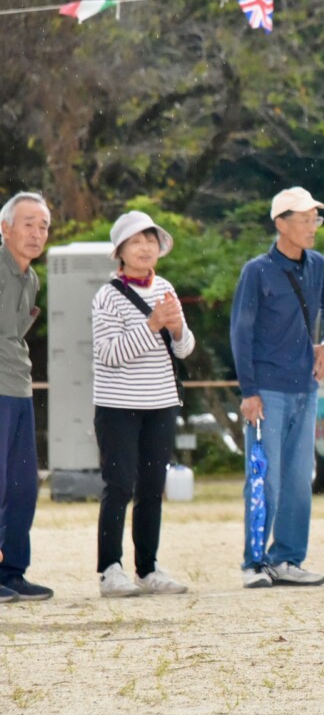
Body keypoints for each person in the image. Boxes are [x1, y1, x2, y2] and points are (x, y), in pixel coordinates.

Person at [230, 187, 324, 588]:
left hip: (306, 388)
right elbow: (240, 333)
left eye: (316, 219)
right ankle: (254, 563)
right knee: (265, 478)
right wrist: (248, 391)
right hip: (266, 390)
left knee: (298, 480)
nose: (313, 227)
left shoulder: (318, 266)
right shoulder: (257, 271)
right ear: (281, 224)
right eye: (305, 220)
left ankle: (288, 559)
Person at [92, 211, 194, 597]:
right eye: (136, 241)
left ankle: (147, 568)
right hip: (117, 405)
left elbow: (184, 349)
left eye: (150, 240)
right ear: (120, 251)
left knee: (152, 487)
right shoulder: (106, 296)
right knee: (119, 485)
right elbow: (109, 354)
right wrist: (151, 325)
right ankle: (109, 569)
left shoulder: (165, 288)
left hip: (161, 402)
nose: (145, 247)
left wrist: (177, 329)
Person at [0, 192, 53, 602]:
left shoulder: (32, 278)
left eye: (43, 226)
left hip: (19, 386)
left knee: (21, 486)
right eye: (28, 224)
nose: (37, 233)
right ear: (5, 228)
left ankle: (12, 570)